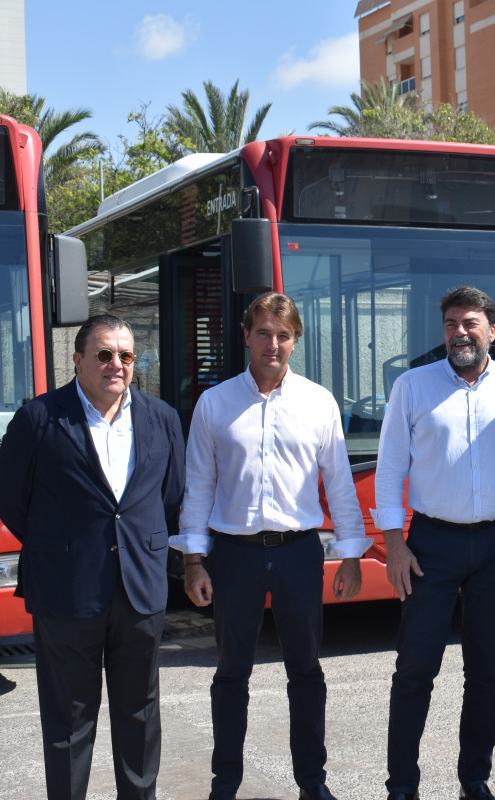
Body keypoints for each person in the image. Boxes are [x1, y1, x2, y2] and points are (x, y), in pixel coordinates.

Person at [171, 292, 371, 800]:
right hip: (232, 554)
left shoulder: (318, 402)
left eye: (283, 335)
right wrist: (193, 561)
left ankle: (313, 783)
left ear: (295, 340)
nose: (273, 344)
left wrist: (352, 553)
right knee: (231, 673)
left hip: (298, 553)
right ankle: (226, 784)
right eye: (263, 333)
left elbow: (340, 485)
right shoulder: (215, 403)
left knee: (305, 669)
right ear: (246, 336)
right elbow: (198, 486)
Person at [0, 314, 185, 800]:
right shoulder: (39, 418)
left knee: (140, 713)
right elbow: (9, 499)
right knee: (69, 720)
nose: (115, 364)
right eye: (103, 355)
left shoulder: (160, 417)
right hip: (66, 591)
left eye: (125, 355)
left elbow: (172, 496)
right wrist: (60, 546)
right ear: (77, 361)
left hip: (140, 589)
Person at [373, 286, 495, 800]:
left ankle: (475, 782)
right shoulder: (412, 386)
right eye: (450, 324)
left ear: (492, 330)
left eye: (470, 323)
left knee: (487, 670)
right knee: (414, 668)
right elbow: (389, 468)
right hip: (429, 546)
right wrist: (394, 545)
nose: (459, 333)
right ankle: (402, 785)